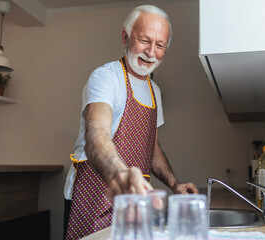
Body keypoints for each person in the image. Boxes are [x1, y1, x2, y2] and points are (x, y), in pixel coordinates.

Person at [63, 5, 199, 240]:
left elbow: (151, 148)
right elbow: (96, 135)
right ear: (125, 37)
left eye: (160, 45)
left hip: (134, 202)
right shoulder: (106, 77)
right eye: (144, 40)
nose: (151, 52)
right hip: (94, 196)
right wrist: (119, 176)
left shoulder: (154, 91)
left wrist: (174, 184)